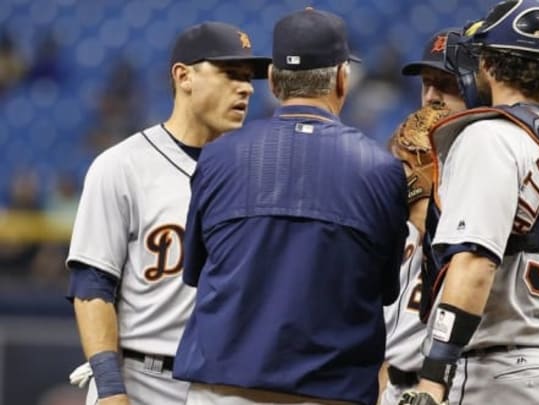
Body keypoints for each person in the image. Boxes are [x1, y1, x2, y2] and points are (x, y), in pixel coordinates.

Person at [172, 8, 408, 405]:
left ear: (274, 81)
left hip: (224, 392)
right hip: (331, 392)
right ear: (340, 78)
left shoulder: (216, 157)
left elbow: (194, 270)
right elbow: (386, 290)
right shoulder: (381, 169)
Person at [400, 1, 539, 404]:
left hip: (499, 374)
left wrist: (433, 376)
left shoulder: (488, 138)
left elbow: (475, 265)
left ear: (486, 64)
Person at [65, 22, 270, 405]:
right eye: (230, 74)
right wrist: (109, 387)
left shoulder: (258, 171)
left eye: (248, 78)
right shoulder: (122, 165)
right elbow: (92, 285)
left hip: (226, 384)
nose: (246, 87)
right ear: (183, 76)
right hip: (140, 378)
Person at [378, 28, 465, 405]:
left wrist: (423, 203)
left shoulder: (493, 170)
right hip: (391, 384)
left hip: (460, 384)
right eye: (427, 84)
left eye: (445, 85)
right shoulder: (397, 164)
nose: (431, 96)